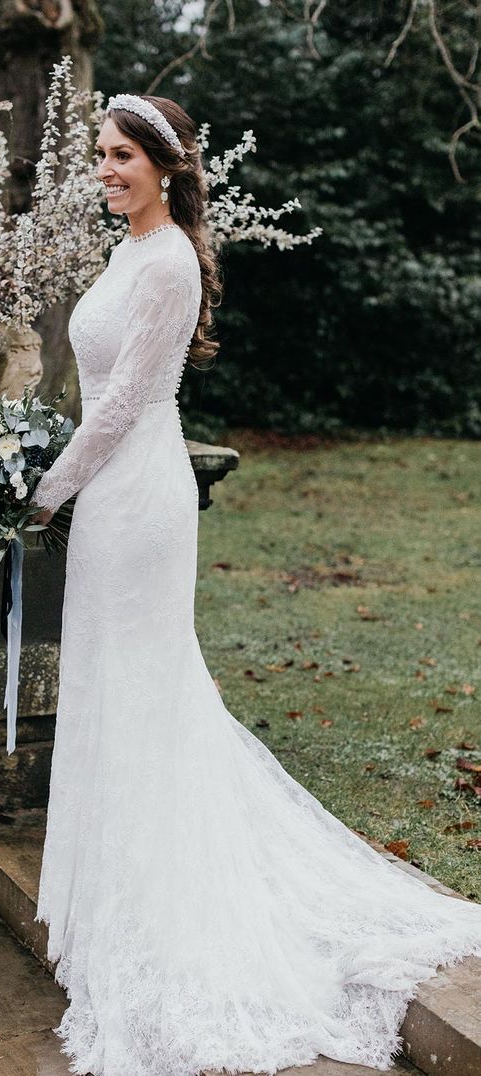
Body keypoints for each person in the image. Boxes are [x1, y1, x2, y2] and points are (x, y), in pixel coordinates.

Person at [28, 93, 481, 1076]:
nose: (104, 169)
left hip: (135, 497)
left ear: (162, 163)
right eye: (98, 154)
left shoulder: (170, 261)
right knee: (116, 691)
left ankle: (172, 916)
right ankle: (123, 901)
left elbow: (117, 407)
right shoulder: (124, 251)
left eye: (120, 156)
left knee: (148, 691)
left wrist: (42, 489)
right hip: (107, 500)